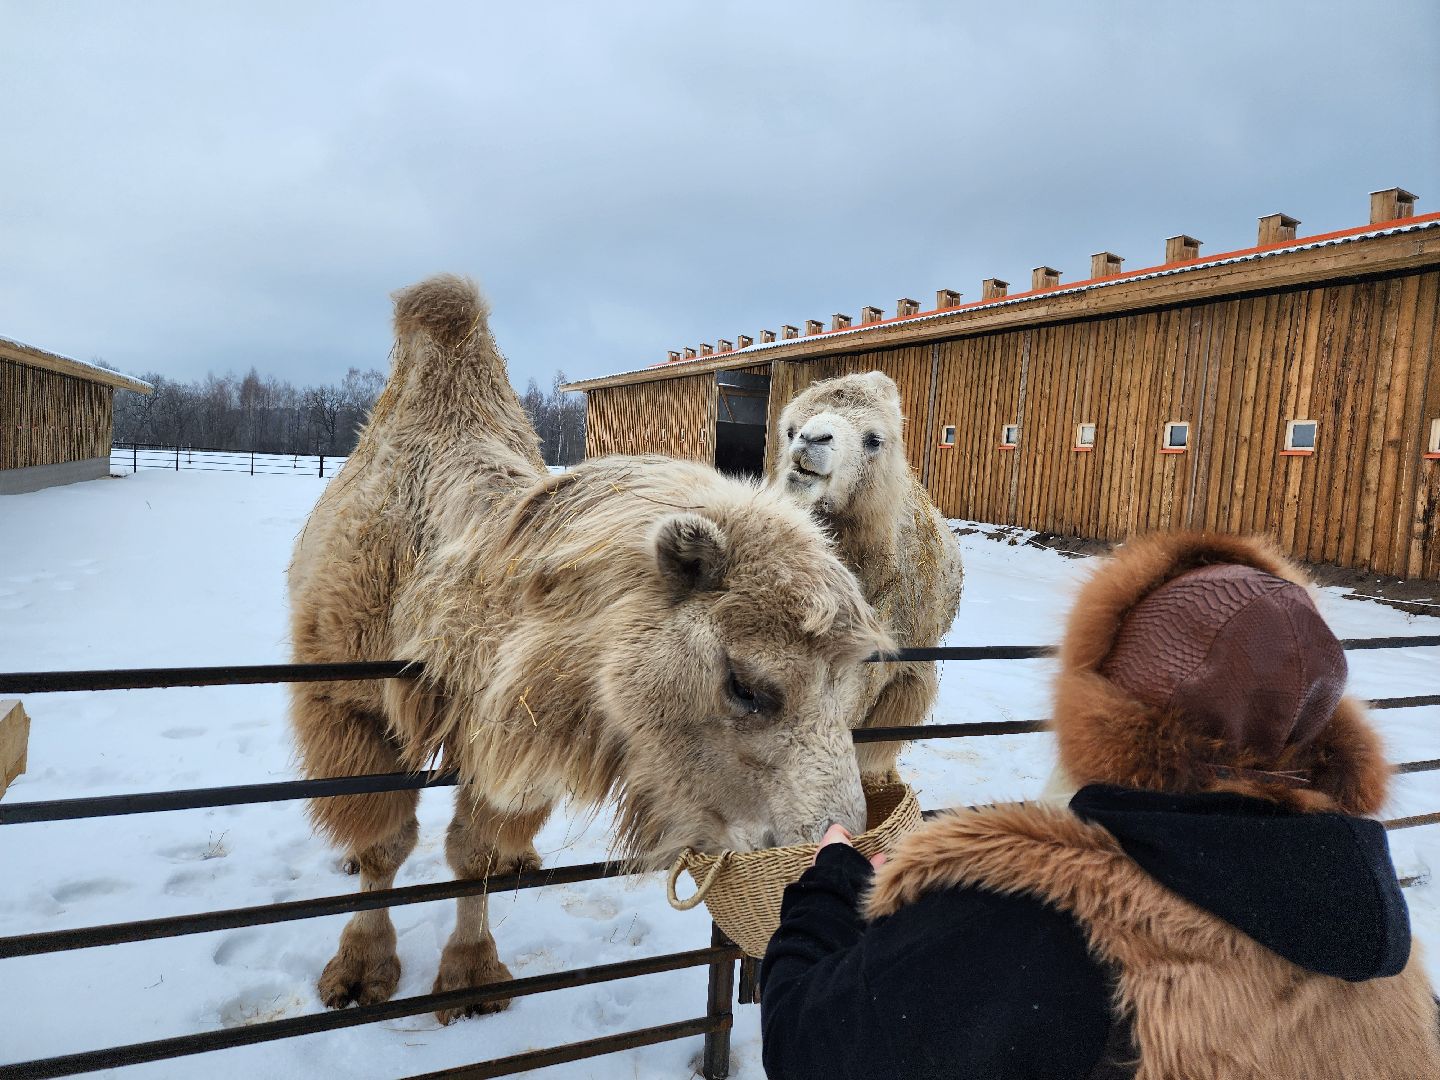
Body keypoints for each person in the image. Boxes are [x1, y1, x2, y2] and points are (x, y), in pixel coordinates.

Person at [760, 532, 1440, 1079]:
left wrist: (830, 890)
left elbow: (807, 1045)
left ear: (1100, 712)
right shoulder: (1380, 935)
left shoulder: (1036, 920)